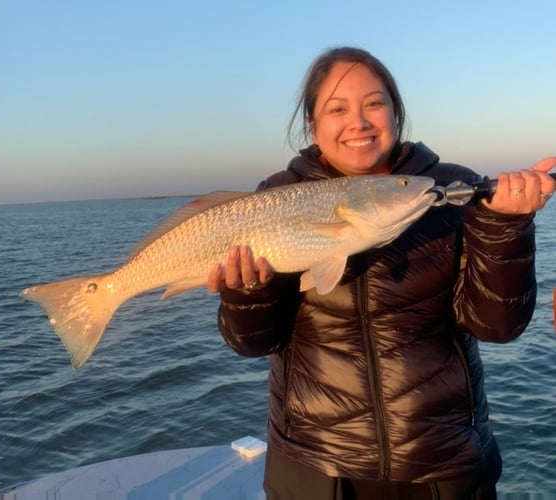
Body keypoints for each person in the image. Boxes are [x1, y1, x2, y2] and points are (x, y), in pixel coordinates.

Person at [207, 47, 556, 499]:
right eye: (337, 109)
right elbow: (252, 342)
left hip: (442, 462)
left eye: (374, 103)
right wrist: (247, 292)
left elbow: (498, 327)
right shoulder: (276, 196)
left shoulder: (449, 189)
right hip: (317, 465)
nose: (359, 122)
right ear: (313, 124)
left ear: (397, 112)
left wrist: (504, 226)